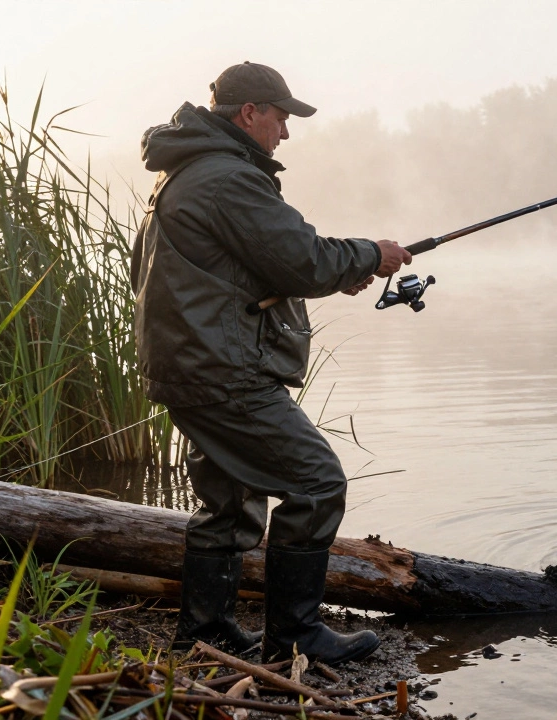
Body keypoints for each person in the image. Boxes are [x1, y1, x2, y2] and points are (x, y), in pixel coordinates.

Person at [130, 61, 412, 665]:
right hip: (221, 370)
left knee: (229, 502)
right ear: (250, 113)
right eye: (281, 118)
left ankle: (204, 633)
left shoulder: (190, 170)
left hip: (193, 362)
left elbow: (244, 266)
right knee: (317, 482)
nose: (285, 132)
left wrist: (344, 270)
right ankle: (295, 635)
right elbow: (301, 259)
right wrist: (371, 253)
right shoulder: (227, 178)